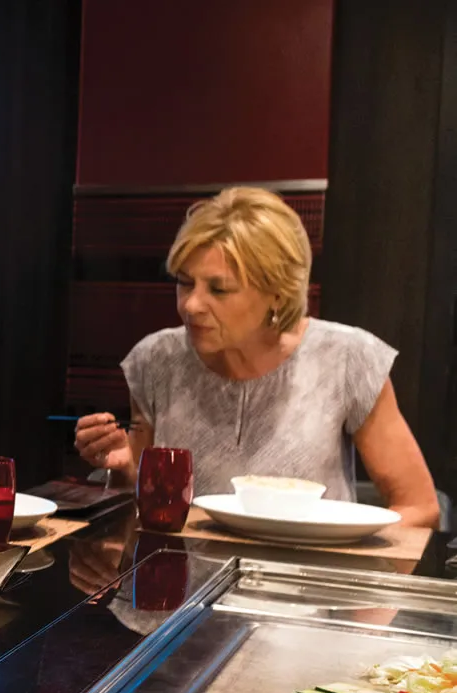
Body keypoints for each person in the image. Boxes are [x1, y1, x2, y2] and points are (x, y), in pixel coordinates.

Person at [74, 187, 439, 528]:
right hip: (176, 589)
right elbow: (142, 501)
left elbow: (420, 508)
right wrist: (121, 470)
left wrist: (335, 560)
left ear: (277, 294)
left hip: (302, 587)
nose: (191, 305)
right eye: (185, 282)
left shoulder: (347, 359)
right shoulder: (155, 360)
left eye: (219, 289)